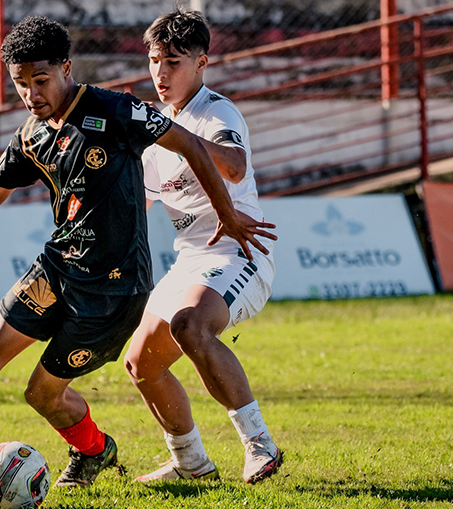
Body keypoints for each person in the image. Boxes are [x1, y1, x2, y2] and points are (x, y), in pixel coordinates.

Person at [0, 15, 276, 500]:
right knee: (18, 358)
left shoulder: (141, 112)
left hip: (154, 274)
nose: (30, 93)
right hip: (64, 267)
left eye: (40, 80)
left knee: (69, 381)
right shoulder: (34, 133)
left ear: (66, 69)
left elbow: (211, 155)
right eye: (20, 84)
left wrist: (228, 214)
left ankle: (258, 445)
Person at [124, 9, 283, 484]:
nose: (161, 73)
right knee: (140, 363)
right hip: (190, 260)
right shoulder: (153, 133)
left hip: (240, 252)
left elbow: (234, 166)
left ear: (202, 63)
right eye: (154, 61)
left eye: (173, 62)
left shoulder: (217, 111)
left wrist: (177, 136)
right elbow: (139, 204)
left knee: (190, 326)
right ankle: (190, 462)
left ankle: (260, 447)